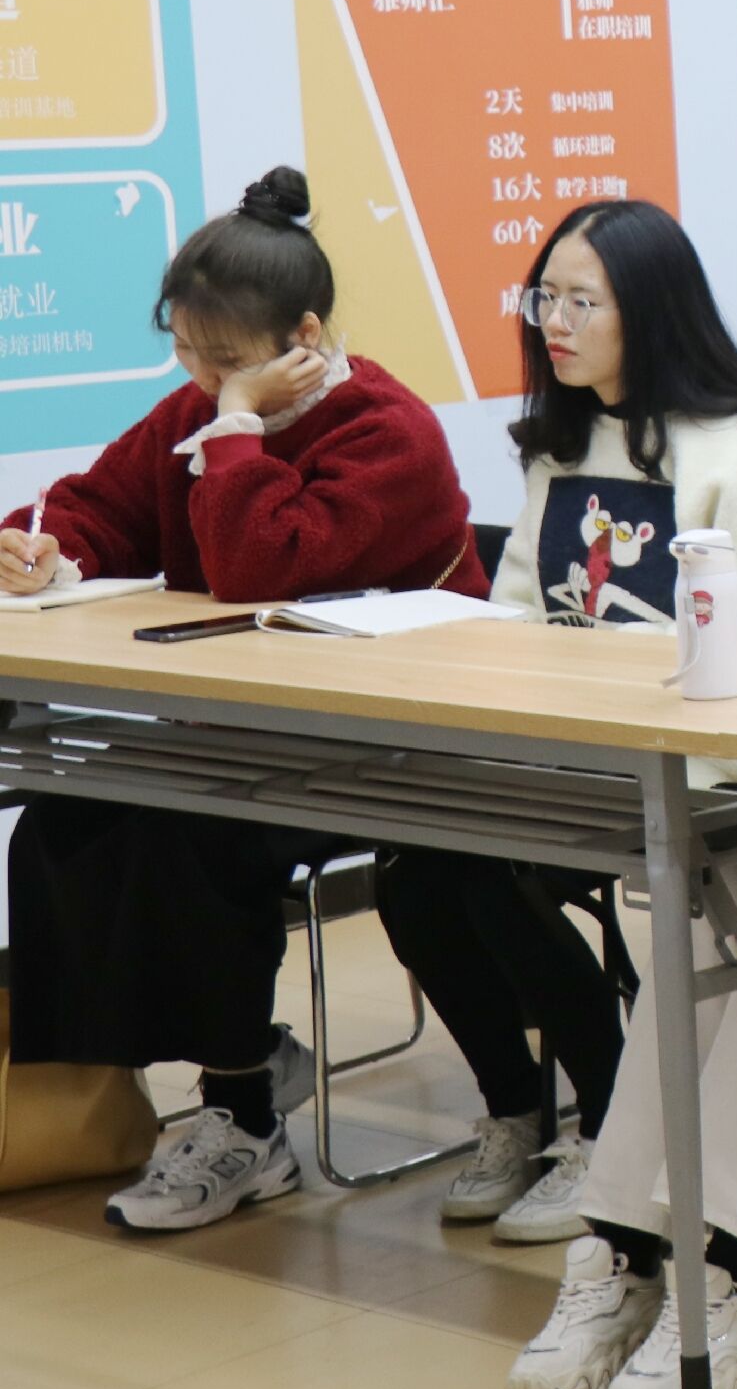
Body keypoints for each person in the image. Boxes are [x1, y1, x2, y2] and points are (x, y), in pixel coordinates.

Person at [0, 168, 491, 1234]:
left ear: (302, 337)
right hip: (248, 732)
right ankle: (241, 1058)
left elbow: (257, 566)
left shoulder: (387, 433)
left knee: (194, 837)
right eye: (185, 350)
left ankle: (245, 1120)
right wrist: (43, 547)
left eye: (222, 358)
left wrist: (234, 426)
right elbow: (102, 505)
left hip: (385, 747)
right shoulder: (200, 409)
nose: (198, 376)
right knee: (60, 823)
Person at [404, 200, 737, 1259]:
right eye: (545, 299)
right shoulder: (564, 445)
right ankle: (523, 1110)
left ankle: (608, 1124)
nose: (555, 324)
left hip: (717, 766)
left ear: (648, 311)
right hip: (590, 750)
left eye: (584, 302)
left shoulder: (733, 444)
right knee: (419, 871)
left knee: (499, 872)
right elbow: (521, 612)